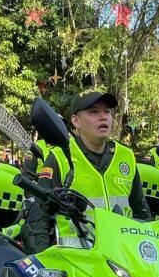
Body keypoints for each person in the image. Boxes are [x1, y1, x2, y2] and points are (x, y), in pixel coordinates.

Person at [24, 91, 151, 250]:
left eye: (107, 111)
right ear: (76, 121)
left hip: (123, 258)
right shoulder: (60, 158)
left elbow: (142, 212)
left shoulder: (126, 157)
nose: (103, 117)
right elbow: (39, 219)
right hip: (77, 262)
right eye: (94, 111)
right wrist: (43, 261)